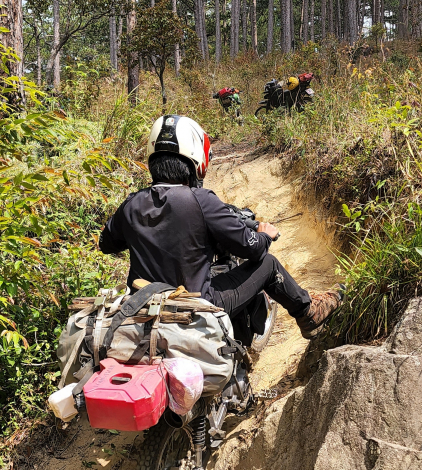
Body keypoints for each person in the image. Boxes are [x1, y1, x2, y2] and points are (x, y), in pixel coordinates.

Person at [98, 114, 342, 339]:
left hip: (144, 304)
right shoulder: (200, 200)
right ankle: (308, 312)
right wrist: (265, 234)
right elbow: (252, 249)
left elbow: (107, 244)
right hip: (197, 303)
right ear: (196, 159)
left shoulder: (132, 203)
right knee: (268, 264)